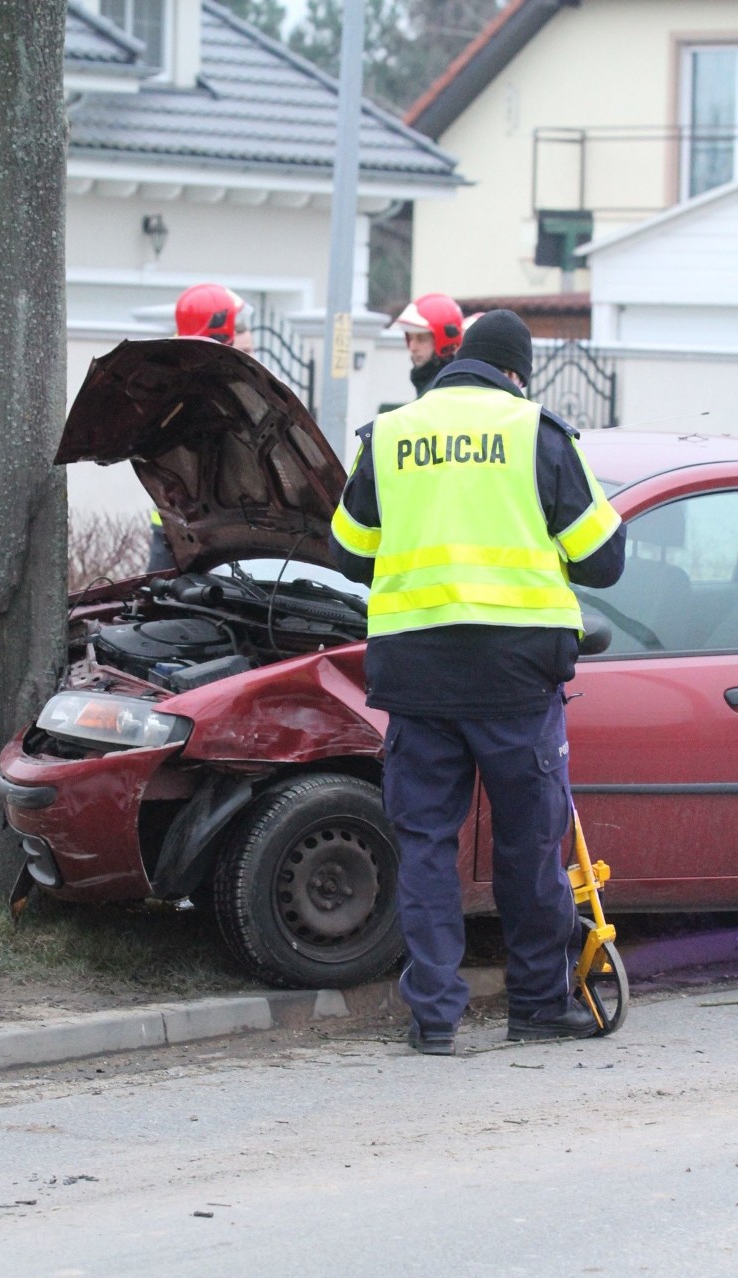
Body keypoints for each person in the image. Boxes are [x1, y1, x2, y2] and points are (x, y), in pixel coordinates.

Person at [329, 309, 627, 1056]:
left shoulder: (392, 434)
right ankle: (534, 1007)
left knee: (427, 846)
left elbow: (347, 551)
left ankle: (432, 1018)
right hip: (516, 682)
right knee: (529, 848)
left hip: (417, 683)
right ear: (517, 372)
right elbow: (603, 560)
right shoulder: (537, 433)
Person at [146, 283, 253, 573]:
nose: (250, 358)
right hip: (199, 534)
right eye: (242, 349)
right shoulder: (199, 389)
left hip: (185, 530)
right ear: (220, 332)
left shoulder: (166, 376)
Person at [393, 293, 464, 398]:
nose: (413, 348)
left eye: (421, 338)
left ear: (444, 341)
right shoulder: (432, 383)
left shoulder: (447, 390)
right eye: (410, 338)